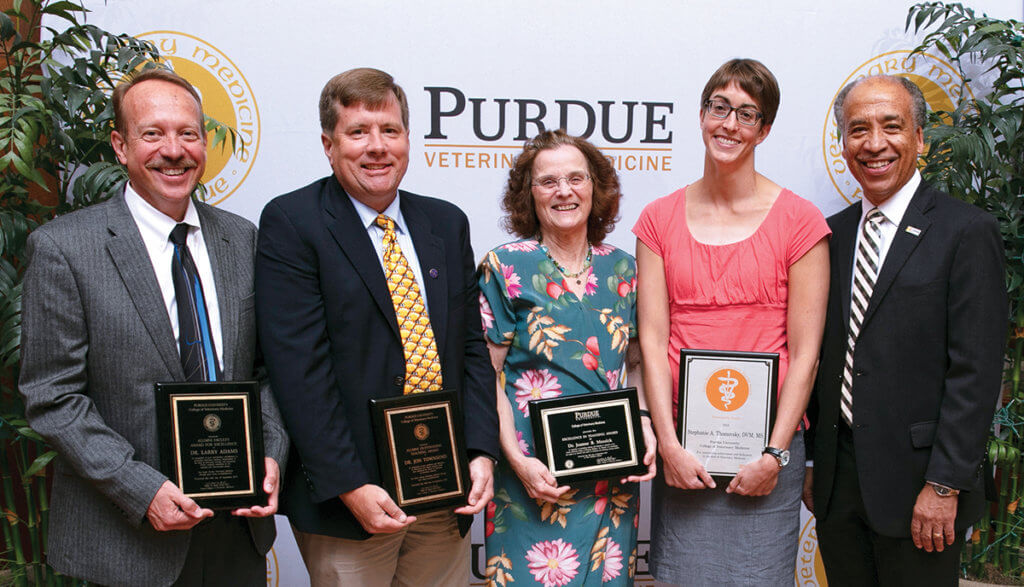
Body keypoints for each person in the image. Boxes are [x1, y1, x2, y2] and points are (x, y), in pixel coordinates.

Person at [17, 67, 288, 587]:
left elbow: (268, 369)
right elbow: (53, 396)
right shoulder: (65, 249)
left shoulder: (242, 239)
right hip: (129, 539)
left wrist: (271, 450)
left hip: (237, 532)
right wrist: (140, 489)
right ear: (120, 146)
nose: (174, 150)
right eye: (152, 134)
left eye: (188, 133)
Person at [255, 67, 499, 586]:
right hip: (356, 500)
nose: (377, 147)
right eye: (358, 132)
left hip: (443, 486)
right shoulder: (293, 222)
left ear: (409, 138)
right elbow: (298, 371)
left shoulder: (446, 222)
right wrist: (349, 485)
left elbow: (470, 348)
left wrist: (479, 450)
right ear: (328, 144)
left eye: (390, 130)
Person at [633, 58, 830, 584]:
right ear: (702, 114)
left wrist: (775, 453)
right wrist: (668, 443)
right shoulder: (657, 220)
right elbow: (652, 341)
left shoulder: (800, 221)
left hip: (768, 453)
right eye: (720, 108)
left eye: (747, 114)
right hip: (685, 453)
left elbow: (807, 352)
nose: (730, 125)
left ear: (764, 129)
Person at [805, 74, 1006, 585]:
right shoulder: (830, 235)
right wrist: (812, 463)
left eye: (891, 126)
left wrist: (944, 485)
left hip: (923, 485)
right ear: (843, 144)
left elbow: (976, 371)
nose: (874, 144)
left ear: (919, 138)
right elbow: (821, 356)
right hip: (837, 484)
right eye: (858, 130)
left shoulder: (966, 231)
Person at [478, 129, 657, 585]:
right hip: (531, 477)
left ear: (596, 188)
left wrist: (643, 423)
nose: (564, 191)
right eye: (548, 181)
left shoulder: (624, 267)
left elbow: (634, 364)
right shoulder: (506, 266)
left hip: (610, 483)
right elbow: (486, 374)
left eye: (576, 178)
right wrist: (518, 462)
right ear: (529, 194)